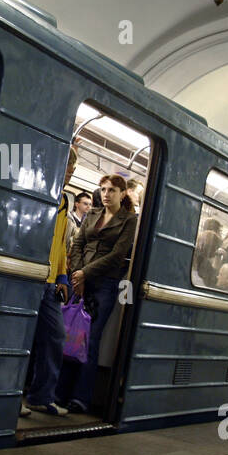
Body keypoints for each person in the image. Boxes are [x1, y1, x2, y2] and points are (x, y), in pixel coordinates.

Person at [56, 174, 138, 415]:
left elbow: (117, 254)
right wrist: (77, 274)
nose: (106, 194)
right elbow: (78, 243)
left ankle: (81, 397)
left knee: (90, 340)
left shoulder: (129, 220)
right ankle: (59, 392)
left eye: (112, 190)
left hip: (104, 283)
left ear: (122, 194)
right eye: (103, 189)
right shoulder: (92, 215)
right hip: (81, 280)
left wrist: (84, 273)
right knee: (70, 335)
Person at [23, 148, 78, 417]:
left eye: (74, 168)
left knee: (55, 335)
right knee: (20, 338)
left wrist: (62, 276)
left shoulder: (64, 201)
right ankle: (10, 396)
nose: (71, 171)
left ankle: (40, 395)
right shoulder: (40, 191)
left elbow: (60, 246)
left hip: (49, 282)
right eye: (69, 165)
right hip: (30, 275)